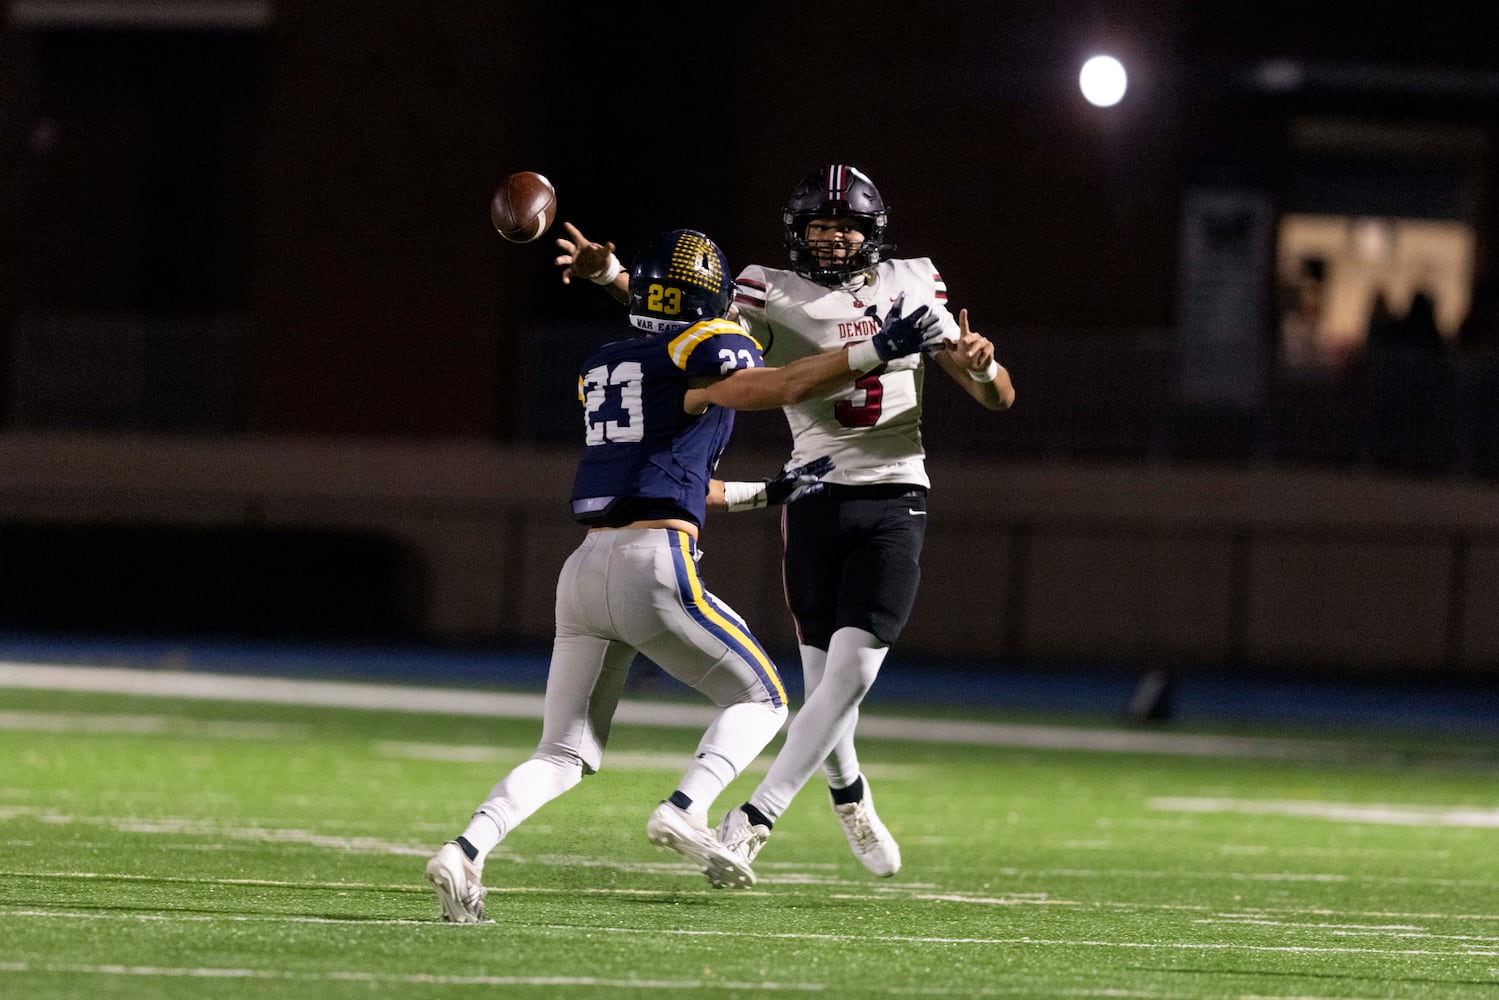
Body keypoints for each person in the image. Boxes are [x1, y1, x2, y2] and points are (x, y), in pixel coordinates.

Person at [426, 228, 947, 921]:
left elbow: (688, 470)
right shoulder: (706, 351)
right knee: (763, 701)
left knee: (562, 751)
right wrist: (875, 348)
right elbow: (782, 382)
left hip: (583, 570)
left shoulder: (609, 362)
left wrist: (773, 493)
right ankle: (685, 808)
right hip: (652, 564)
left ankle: (465, 851)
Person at [554, 165, 1014, 882]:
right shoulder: (768, 289)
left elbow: (993, 394)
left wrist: (981, 367)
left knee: (851, 678)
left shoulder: (915, 281)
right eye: (819, 227)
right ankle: (848, 790)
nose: (831, 240)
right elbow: (687, 332)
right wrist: (615, 275)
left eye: (845, 226)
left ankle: (753, 817)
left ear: (872, 231)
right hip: (812, 495)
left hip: (895, 490)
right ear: (798, 233)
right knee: (824, 683)